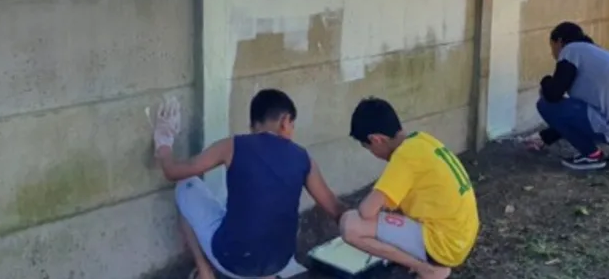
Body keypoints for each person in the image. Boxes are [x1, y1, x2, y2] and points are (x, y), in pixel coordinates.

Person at [151, 90, 346, 279]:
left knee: (186, 185)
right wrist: (369, 228)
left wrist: (164, 143)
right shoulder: (304, 158)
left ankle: (205, 272)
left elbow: (173, 172)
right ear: (286, 121)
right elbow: (335, 208)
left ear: (252, 126)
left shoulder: (233, 146)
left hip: (233, 261)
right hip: (280, 262)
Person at [339, 98, 479, 279]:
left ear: (377, 139)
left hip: (444, 243)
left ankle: (426, 269)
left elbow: (366, 211)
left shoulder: (404, 158)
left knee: (350, 224)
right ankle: (430, 265)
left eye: (369, 148)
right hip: (462, 234)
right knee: (392, 213)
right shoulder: (421, 140)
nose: (373, 154)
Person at [524, 22, 609, 171]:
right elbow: (573, 117)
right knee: (570, 107)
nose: (553, 54)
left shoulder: (571, 51)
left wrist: (545, 81)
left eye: (552, 47)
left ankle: (592, 155)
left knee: (545, 105)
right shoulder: (596, 52)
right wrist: (544, 138)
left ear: (559, 41)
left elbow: (553, 95)